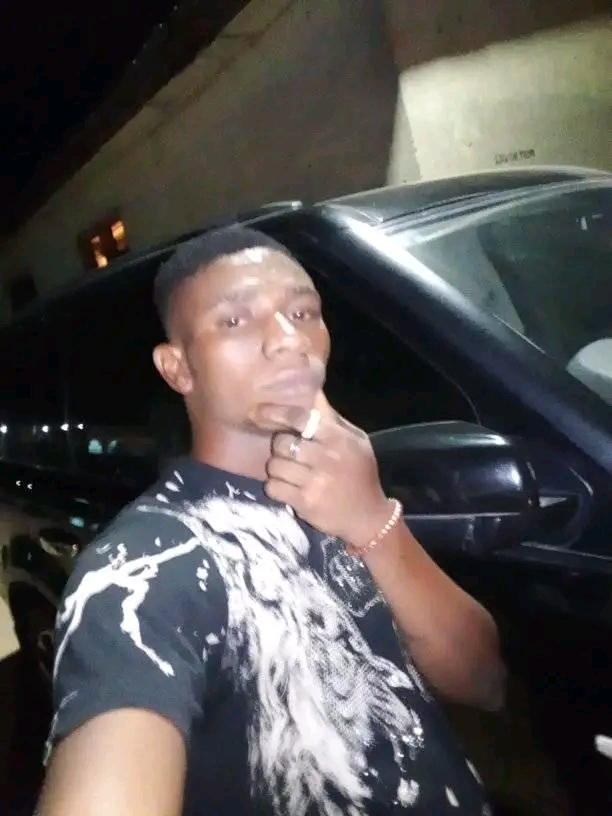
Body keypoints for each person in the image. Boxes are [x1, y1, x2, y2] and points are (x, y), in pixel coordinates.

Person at [37, 226, 506, 816]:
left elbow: (485, 683)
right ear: (178, 368)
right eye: (234, 321)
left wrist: (373, 520)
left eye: (304, 312)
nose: (289, 339)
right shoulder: (146, 565)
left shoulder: (345, 486)